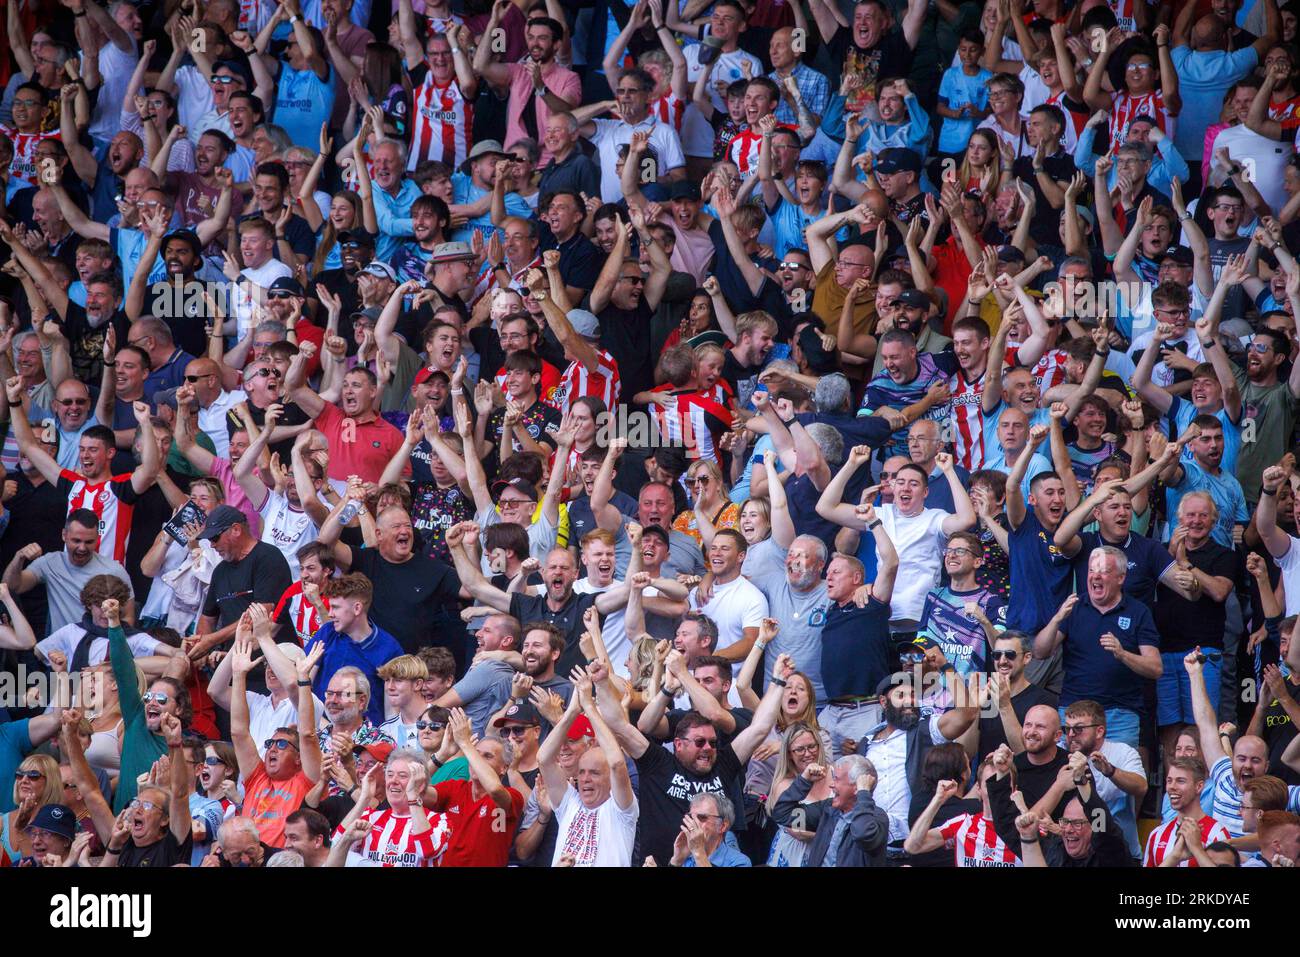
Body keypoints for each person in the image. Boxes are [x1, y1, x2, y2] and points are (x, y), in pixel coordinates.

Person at [227, 627, 322, 848]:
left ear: (299, 758)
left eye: (281, 744)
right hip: (245, 857)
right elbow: (239, 734)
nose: (272, 749)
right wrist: (239, 675)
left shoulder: (304, 781)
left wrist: (304, 681)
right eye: (270, 743)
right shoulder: (257, 776)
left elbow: (307, 735)